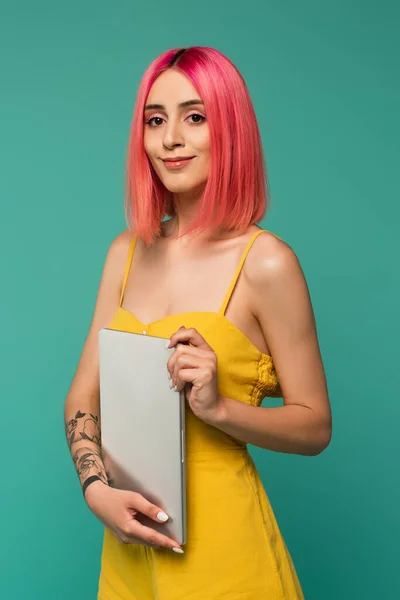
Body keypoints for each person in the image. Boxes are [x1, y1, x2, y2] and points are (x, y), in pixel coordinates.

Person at [64, 46, 332, 600]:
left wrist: (219, 408)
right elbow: (81, 399)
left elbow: (315, 426)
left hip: (225, 551)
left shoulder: (266, 262)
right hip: (130, 545)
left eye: (195, 117)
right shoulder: (126, 252)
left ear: (229, 128)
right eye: (155, 120)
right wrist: (96, 492)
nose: (170, 139)